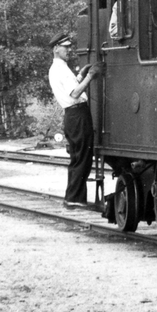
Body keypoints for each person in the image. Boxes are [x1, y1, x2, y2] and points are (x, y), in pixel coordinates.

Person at [47, 32, 98, 205]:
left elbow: (71, 86)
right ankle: (74, 199)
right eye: (65, 47)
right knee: (82, 157)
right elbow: (75, 93)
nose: (69, 49)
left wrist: (81, 75)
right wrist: (91, 76)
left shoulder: (58, 68)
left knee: (78, 157)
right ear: (56, 49)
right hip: (77, 114)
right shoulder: (60, 68)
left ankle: (74, 198)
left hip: (73, 115)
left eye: (69, 46)